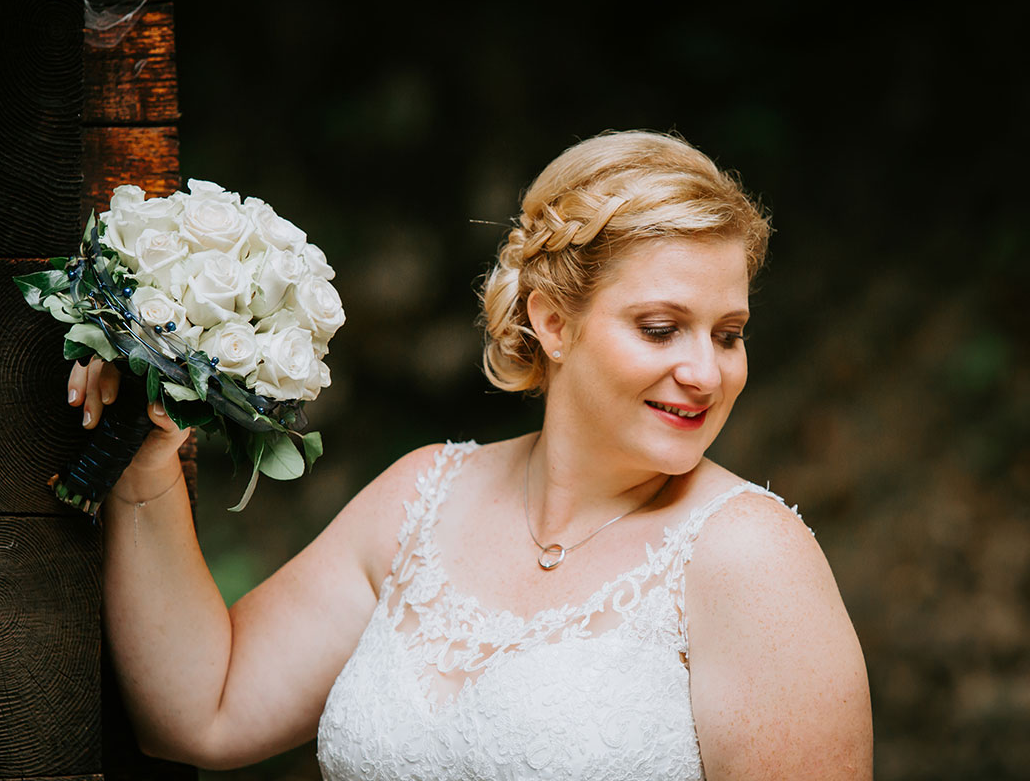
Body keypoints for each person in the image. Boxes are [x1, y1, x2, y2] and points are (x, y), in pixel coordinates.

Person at [70, 130, 873, 779]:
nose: (706, 372)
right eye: (661, 328)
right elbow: (202, 711)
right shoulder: (422, 494)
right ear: (553, 322)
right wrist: (148, 464)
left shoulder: (750, 556)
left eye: (728, 334)